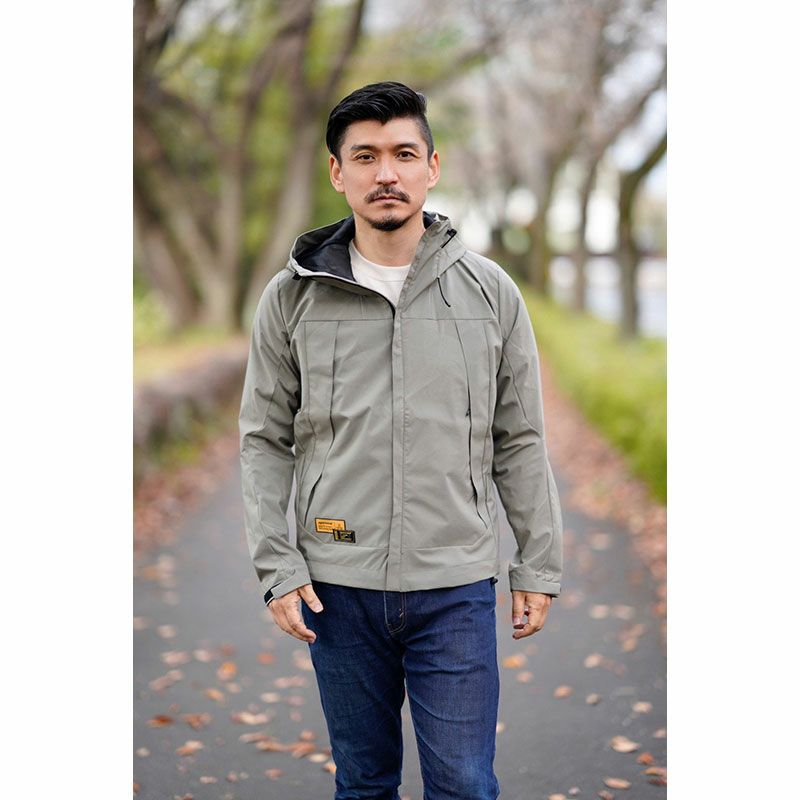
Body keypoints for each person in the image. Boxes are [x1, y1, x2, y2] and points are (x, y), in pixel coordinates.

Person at [238, 81, 564, 800]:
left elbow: (519, 438)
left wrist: (537, 565)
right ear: (338, 172)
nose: (386, 172)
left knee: (465, 786)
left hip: (456, 586)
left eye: (404, 154)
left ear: (431, 167)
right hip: (337, 587)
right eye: (366, 156)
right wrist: (277, 564)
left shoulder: (491, 294)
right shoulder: (292, 297)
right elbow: (263, 439)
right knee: (363, 786)